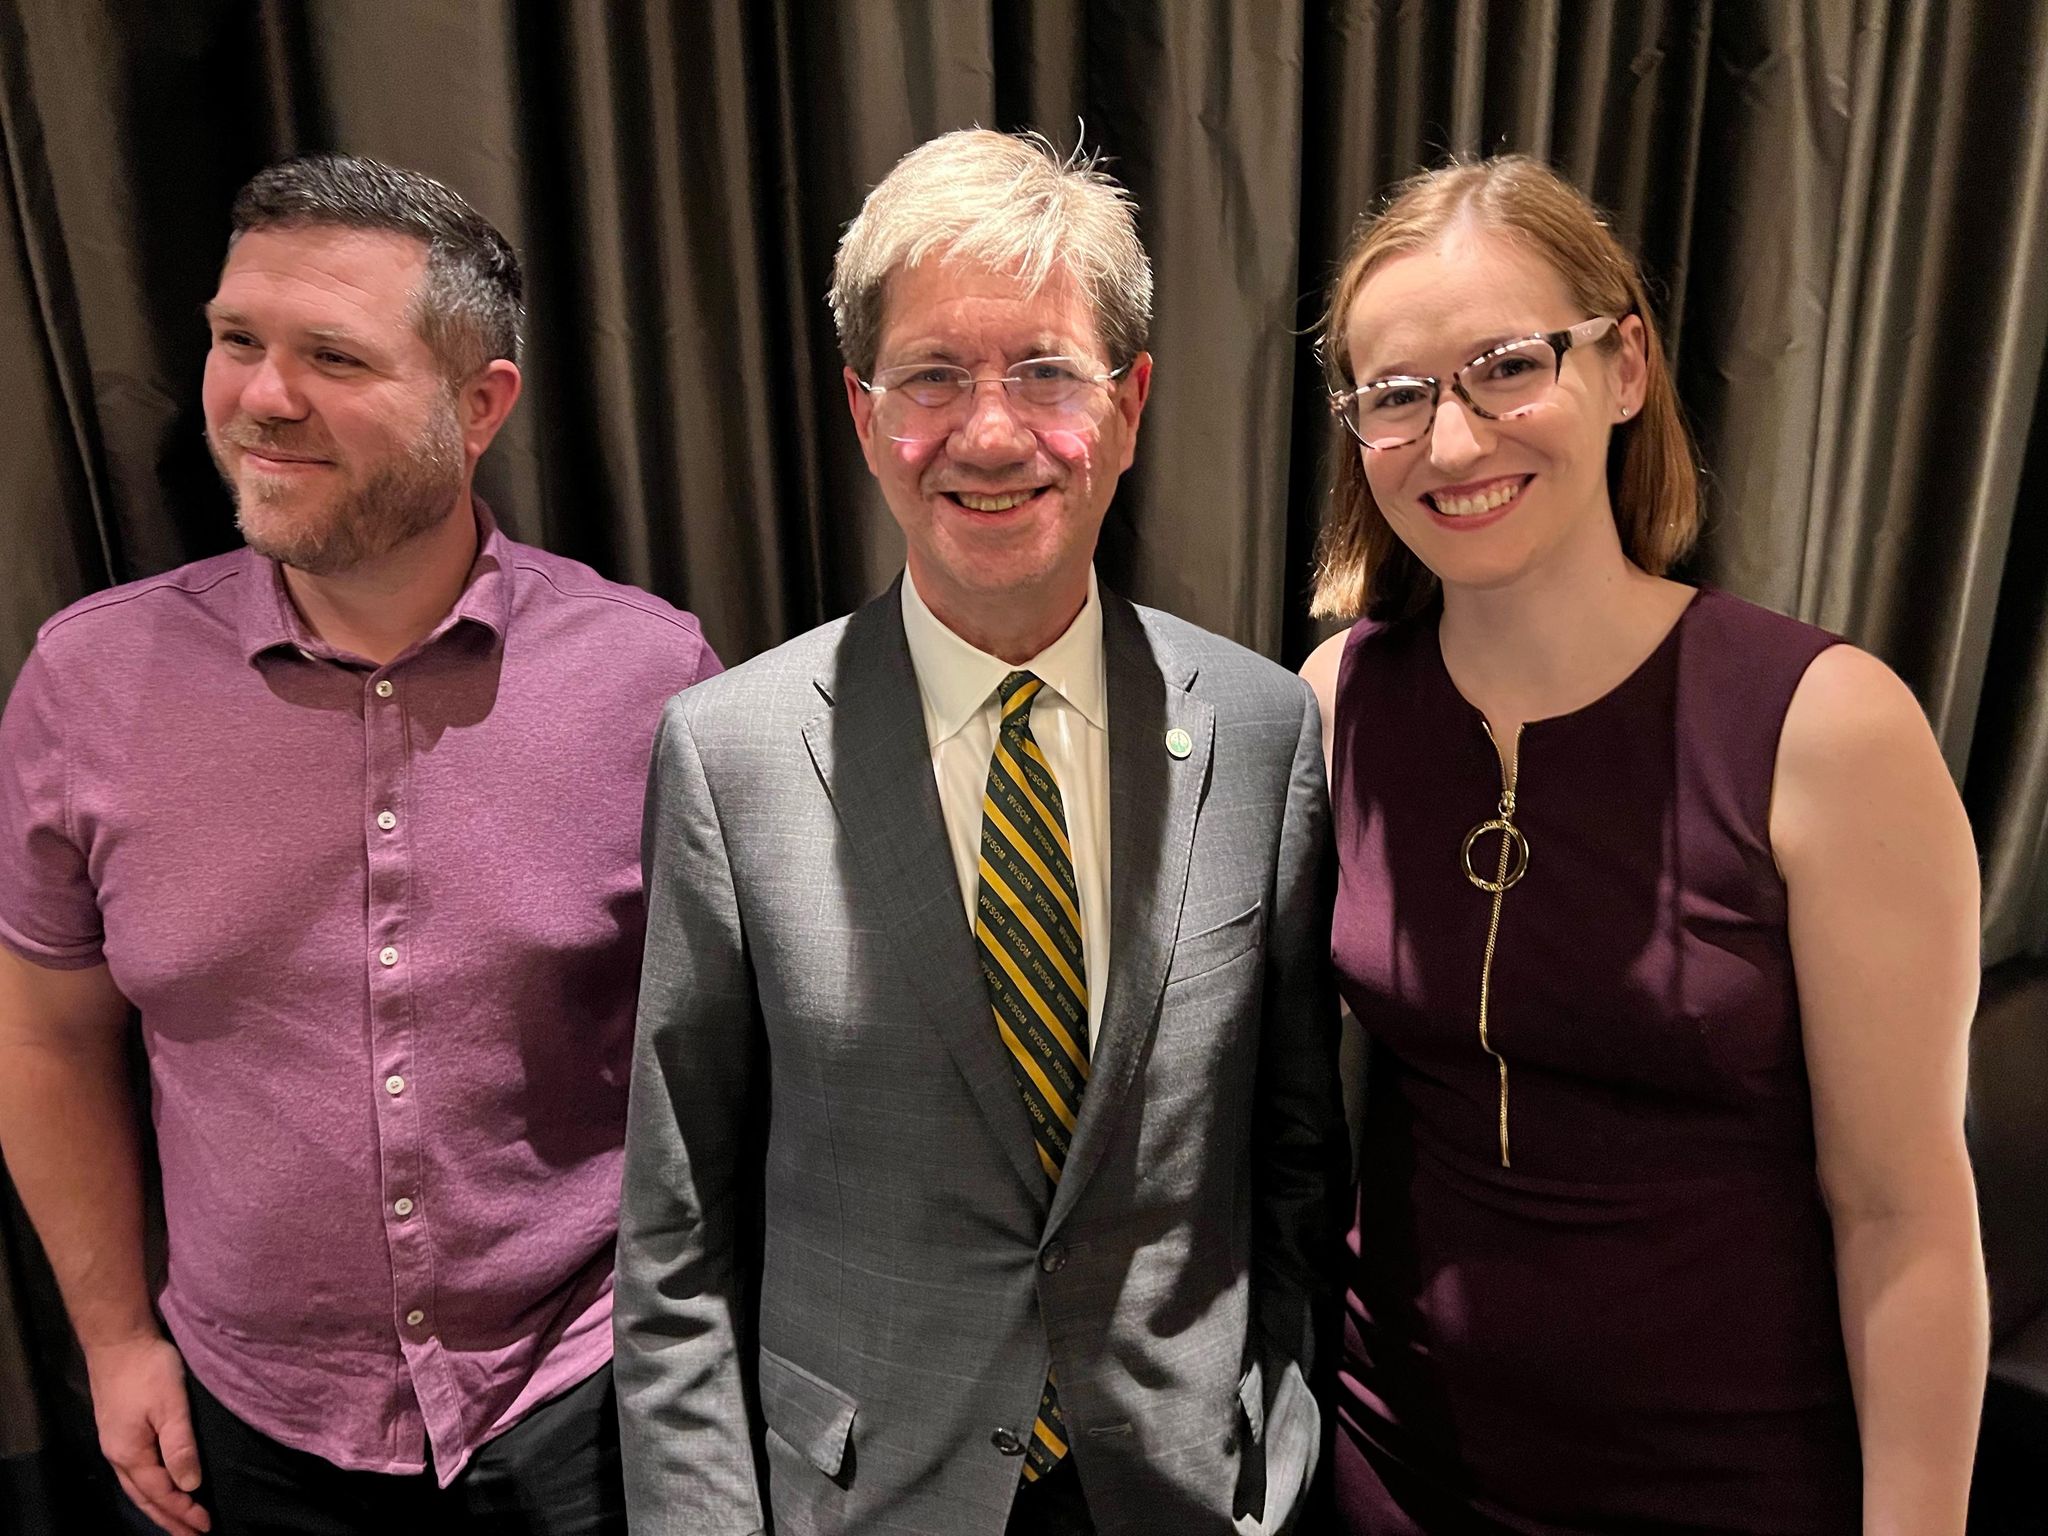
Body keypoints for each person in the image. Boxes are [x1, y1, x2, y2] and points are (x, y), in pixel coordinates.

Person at [614, 128, 1349, 1536]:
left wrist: (1278, 1437)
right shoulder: (733, 753)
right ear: (861, 412)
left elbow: (1297, 1161)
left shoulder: (1262, 733)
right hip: (868, 1497)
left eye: (1048, 373)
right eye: (933, 377)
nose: (992, 433)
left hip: (1187, 1495)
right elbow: (678, 1233)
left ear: (1129, 406)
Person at [0, 154, 720, 1536]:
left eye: (333, 355)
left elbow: (728, 1050)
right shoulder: (85, 684)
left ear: (481, 402)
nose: (264, 399)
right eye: (236, 341)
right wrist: (110, 1338)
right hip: (248, 1426)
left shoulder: (653, 677)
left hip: (585, 1402)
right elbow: (43, 1033)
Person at [1298, 155, 1987, 1533]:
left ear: (1625, 367)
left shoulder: (1827, 730)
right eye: (1400, 395)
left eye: (1506, 366)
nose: (1453, 443)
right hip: (1390, 1470)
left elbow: (1903, 1218)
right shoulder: (1334, 703)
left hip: (1727, 1488)